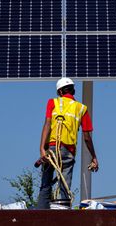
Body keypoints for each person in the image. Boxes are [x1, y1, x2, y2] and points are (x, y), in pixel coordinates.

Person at [36, 77, 99, 209]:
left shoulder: (52, 102)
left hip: (51, 150)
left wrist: (42, 149)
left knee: (46, 183)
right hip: (68, 151)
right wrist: (94, 156)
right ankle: (62, 216)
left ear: (59, 92)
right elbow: (87, 137)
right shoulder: (81, 108)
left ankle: (40, 214)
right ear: (73, 90)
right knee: (64, 185)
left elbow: (47, 124)